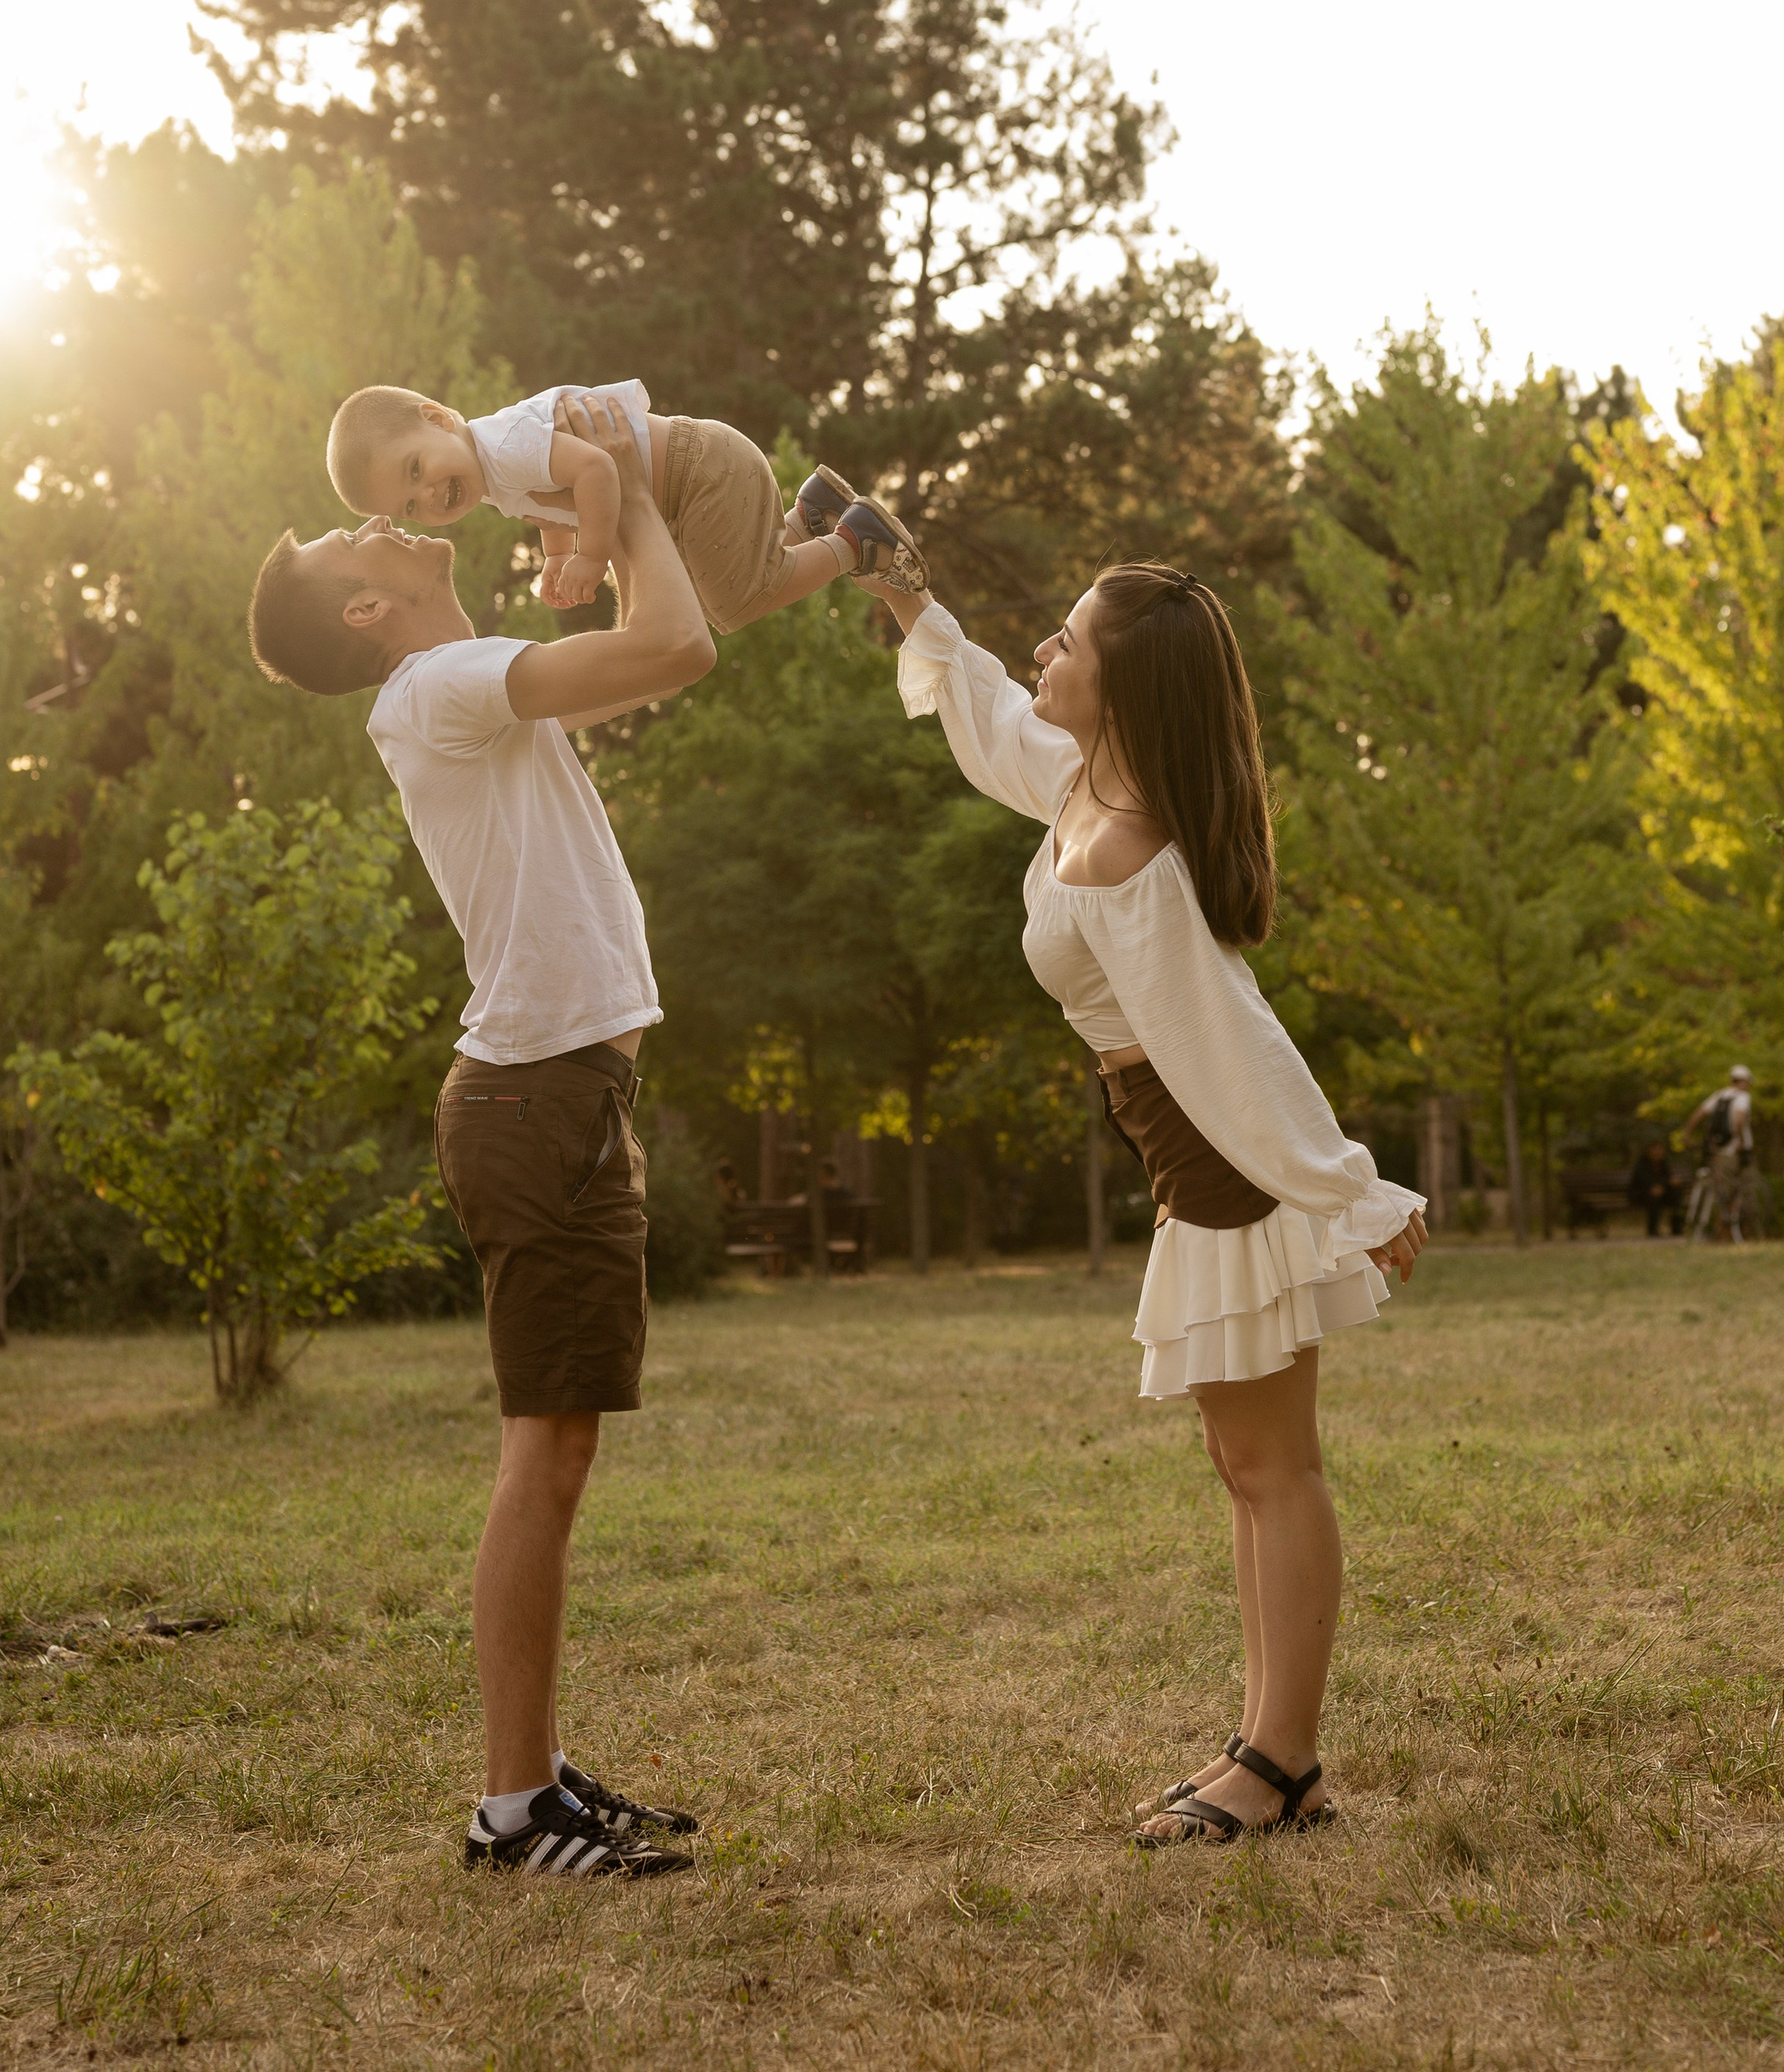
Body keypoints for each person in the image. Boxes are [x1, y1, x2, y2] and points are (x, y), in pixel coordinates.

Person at [246, 393, 789, 1881]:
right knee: (542, 1453)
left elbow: (648, 641)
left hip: (555, 1095)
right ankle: (512, 1808)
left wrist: (594, 522)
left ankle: (534, 1772)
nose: (385, 517)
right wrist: (628, 489)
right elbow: (678, 645)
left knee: (557, 1447)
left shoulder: (469, 682)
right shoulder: (443, 686)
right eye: (357, 532)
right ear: (367, 607)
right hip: (535, 1099)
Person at [868, 559, 1426, 1847]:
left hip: (1226, 1160)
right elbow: (994, 721)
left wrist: (1351, 1192)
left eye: (1067, 643)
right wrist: (910, 603)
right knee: (1247, 1466)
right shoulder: (1084, 788)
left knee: (1274, 1467)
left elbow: (1233, 1043)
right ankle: (1267, 1749)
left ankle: (1283, 1764)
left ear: (1123, 686)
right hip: (1189, 1159)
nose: (1044, 653)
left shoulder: (1130, 853)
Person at [326, 377, 926, 620]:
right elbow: (551, 499)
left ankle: (856, 541)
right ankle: (810, 516)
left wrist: (590, 557)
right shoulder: (488, 467)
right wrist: (557, 555)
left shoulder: (504, 446)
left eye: (415, 469)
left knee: (733, 605)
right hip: (693, 481)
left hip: (699, 472)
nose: (428, 494)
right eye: (410, 506)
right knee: (699, 590)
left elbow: (593, 470)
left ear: (437, 418)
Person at [1679, 1066, 1755, 1243]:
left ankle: (1722, 1233)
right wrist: (1740, 1141)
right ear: (1745, 1081)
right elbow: (1740, 1119)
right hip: (1738, 1151)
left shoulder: (1719, 1096)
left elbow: (1698, 1114)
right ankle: (1739, 1233)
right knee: (1744, 1189)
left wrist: (1687, 1135)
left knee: (1723, 1191)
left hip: (1720, 1152)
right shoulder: (1743, 1097)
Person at [1626, 1135, 1682, 1239]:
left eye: (1660, 1149)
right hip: (1641, 1194)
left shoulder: (1663, 1163)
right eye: (1655, 1149)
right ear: (1649, 1151)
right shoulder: (1642, 1164)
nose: (1658, 1152)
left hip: (1661, 1192)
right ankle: (1652, 1230)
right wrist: (1657, 1187)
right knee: (1653, 1197)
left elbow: (1668, 1178)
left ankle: (1677, 1228)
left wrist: (1667, 1184)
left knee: (1676, 1194)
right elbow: (1643, 1181)